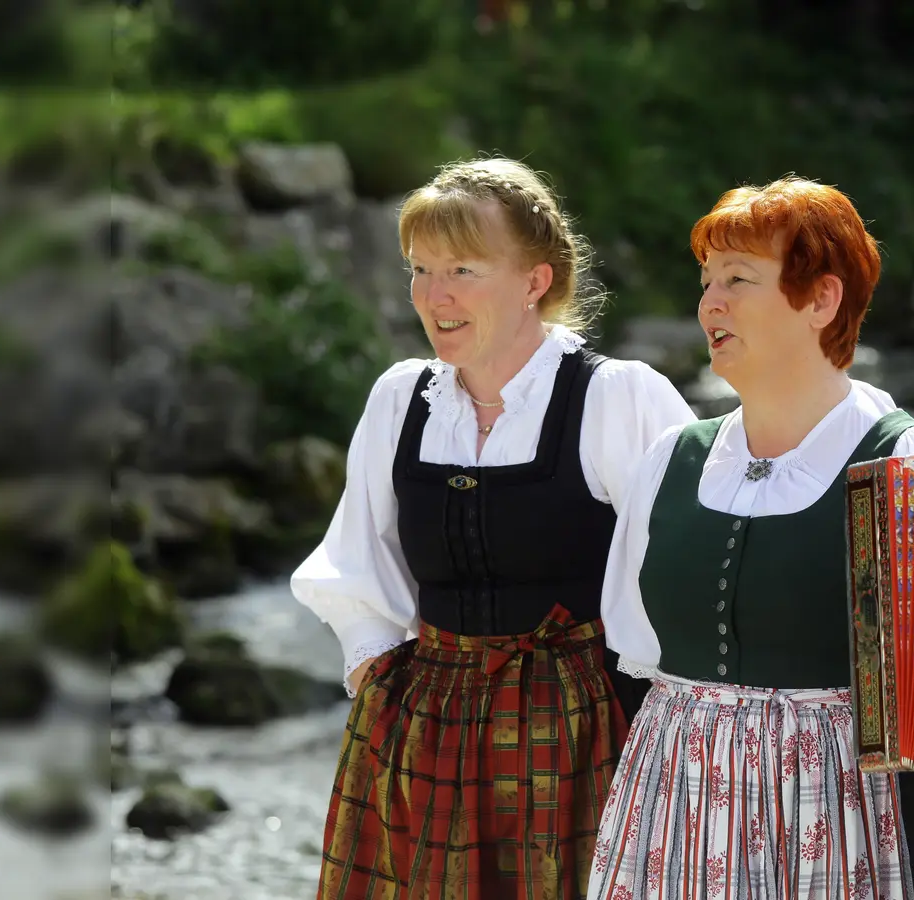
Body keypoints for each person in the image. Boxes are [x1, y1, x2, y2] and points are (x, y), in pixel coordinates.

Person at [290, 156, 696, 899]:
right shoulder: (399, 400)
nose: (434, 295)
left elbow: (687, 569)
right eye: (421, 269)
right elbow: (356, 559)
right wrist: (376, 675)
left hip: (578, 735)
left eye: (464, 270)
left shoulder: (614, 398)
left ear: (535, 281)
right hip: (425, 730)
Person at [586, 177, 914, 900]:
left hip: (832, 814)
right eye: (707, 281)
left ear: (821, 300)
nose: (711, 302)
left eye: (739, 279)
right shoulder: (671, 459)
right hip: (676, 797)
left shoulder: (907, 464)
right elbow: (636, 647)